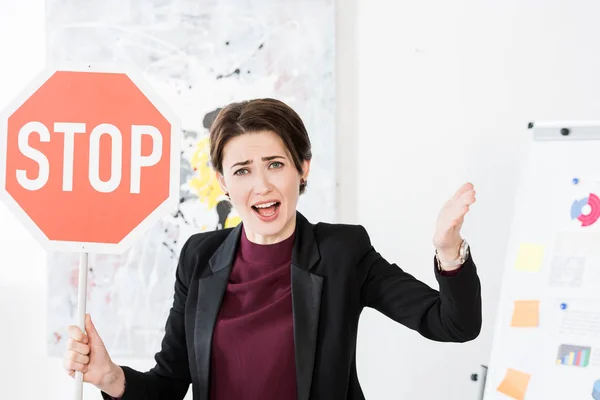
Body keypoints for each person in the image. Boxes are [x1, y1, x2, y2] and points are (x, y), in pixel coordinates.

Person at [63, 98, 482, 400]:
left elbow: (452, 324)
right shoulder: (198, 258)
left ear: (303, 169)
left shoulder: (342, 251)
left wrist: (449, 251)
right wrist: (111, 378)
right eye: (242, 170)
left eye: (275, 165)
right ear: (224, 183)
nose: (261, 186)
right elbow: (169, 386)